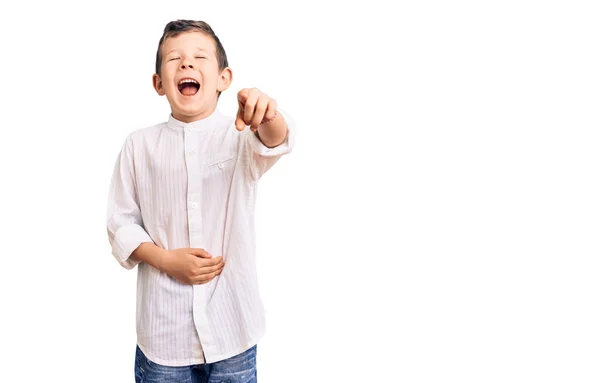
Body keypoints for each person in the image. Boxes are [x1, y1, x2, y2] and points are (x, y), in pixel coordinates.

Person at [106, 19, 295, 382]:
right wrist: (164, 259)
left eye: (199, 57)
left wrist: (269, 114)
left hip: (232, 331)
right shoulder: (138, 145)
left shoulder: (240, 135)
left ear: (224, 78)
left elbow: (275, 140)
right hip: (163, 338)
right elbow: (120, 224)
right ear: (159, 83)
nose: (187, 64)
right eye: (174, 58)